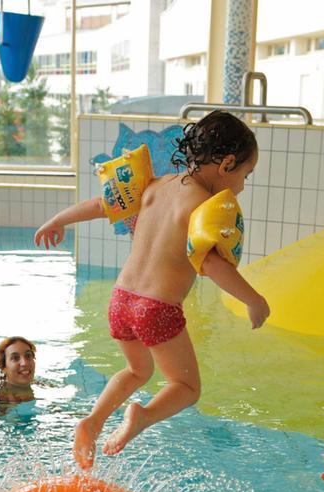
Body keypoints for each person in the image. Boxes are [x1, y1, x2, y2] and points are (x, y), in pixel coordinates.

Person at [34, 110, 270, 469]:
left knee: (137, 371)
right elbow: (210, 264)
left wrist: (57, 220)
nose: (241, 187)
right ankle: (141, 416)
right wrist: (254, 300)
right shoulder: (203, 207)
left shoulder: (154, 186)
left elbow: (103, 205)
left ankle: (92, 422)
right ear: (227, 164)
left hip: (121, 300)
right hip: (156, 308)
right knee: (186, 388)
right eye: (245, 176)